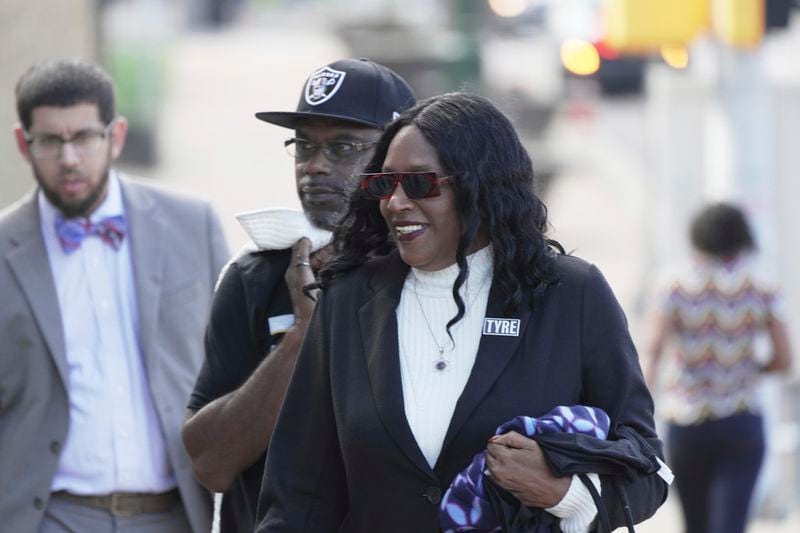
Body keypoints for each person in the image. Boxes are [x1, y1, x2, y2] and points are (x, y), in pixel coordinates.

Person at [256, 92, 669, 532]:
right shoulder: (349, 299)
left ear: (480, 185)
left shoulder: (571, 294)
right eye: (385, 183)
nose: (396, 203)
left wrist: (563, 495)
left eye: (420, 183)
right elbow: (298, 487)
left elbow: (649, 469)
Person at [181, 58, 416, 532]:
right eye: (304, 145)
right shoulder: (257, 274)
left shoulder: (435, 270)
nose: (314, 166)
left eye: (343, 147)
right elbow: (211, 463)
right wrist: (304, 336)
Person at [0, 58, 229, 532]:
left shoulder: (193, 224)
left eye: (84, 137)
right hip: (48, 516)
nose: (69, 159)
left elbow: (231, 362)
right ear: (25, 144)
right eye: (50, 141)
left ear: (116, 136)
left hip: (178, 513)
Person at [645, 202, 793, 533]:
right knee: (731, 525)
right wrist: (750, 368)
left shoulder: (673, 284)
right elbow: (784, 360)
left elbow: (653, 350)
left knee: (695, 524)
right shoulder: (761, 284)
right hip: (742, 419)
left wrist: (639, 409)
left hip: (687, 420)